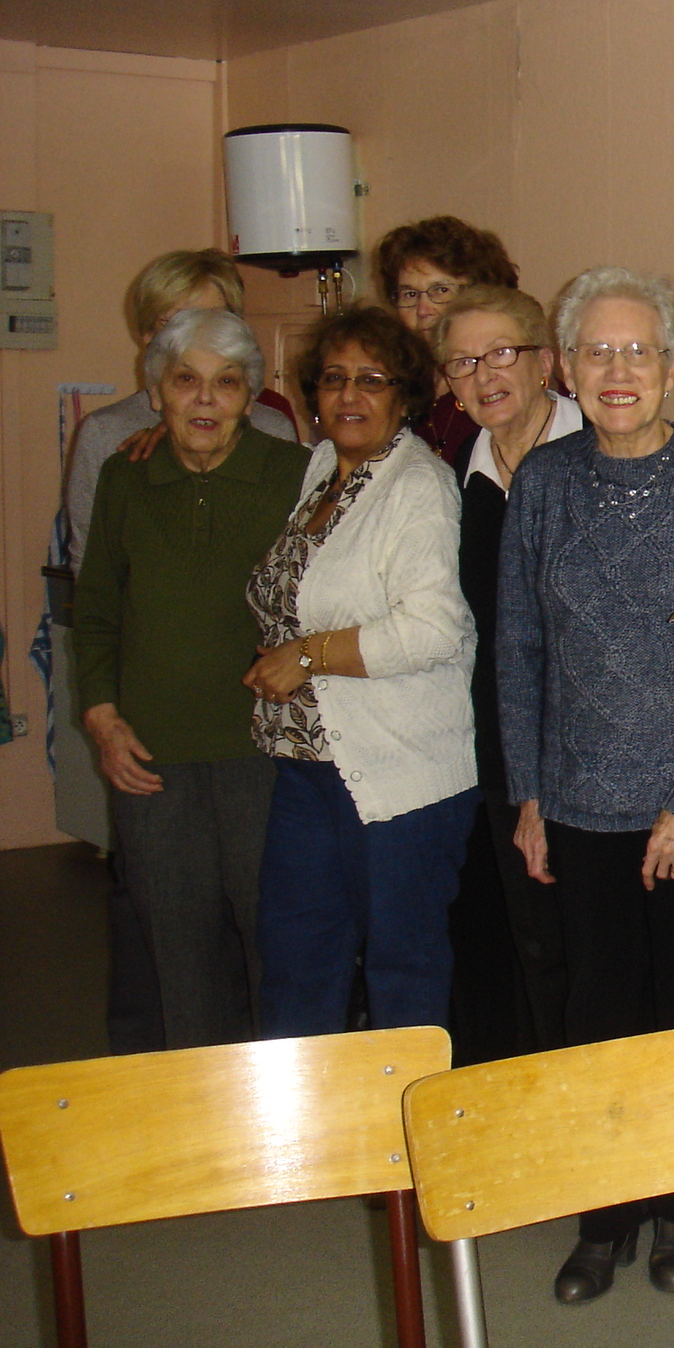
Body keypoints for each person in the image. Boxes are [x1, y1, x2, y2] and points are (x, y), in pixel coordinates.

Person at [498, 266, 674, 1306]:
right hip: (577, 801)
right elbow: (519, 647)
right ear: (568, 370)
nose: (619, 371)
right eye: (597, 352)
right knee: (596, 1014)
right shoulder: (545, 481)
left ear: (671, 366)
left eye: (639, 352)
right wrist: (527, 789)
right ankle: (602, 1216)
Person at [63, 247, 297, 1056]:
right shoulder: (123, 476)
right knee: (176, 942)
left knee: (277, 938)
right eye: (185, 381)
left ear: (250, 392)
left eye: (227, 381)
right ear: (154, 391)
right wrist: (101, 717)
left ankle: (287, 1111)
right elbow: (94, 612)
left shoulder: (294, 472)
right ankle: (205, 1114)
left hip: (263, 750)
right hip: (149, 753)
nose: (205, 398)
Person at [247, 306, 479, 1039]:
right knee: (296, 962)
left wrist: (307, 655)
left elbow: (433, 628)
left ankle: (403, 1139)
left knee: (401, 974)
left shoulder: (418, 486)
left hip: (396, 778)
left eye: (371, 380)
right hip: (308, 768)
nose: (349, 395)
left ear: (405, 397)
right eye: (335, 378)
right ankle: (305, 1141)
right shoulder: (320, 471)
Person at [433, 285, 580, 1062]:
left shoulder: (610, 447)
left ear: (547, 360)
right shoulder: (453, 476)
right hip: (503, 745)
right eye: (462, 362)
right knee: (534, 949)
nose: (484, 375)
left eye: (502, 353)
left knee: (602, 952)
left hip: (609, 747)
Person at [65, 249, 296, 568]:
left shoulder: (272, 428)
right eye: (176, 322)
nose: (197, 337)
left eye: (213, 321)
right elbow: (89, 562)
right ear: (148, 336)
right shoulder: (104, 434)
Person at [372, 215, 521, 460]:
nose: (423, 309)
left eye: (440, 290)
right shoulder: (395, 383)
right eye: (409, 294)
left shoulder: (506, 381)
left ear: (480, 295)